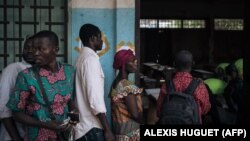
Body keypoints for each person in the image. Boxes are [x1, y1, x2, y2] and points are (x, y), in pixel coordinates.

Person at [7, 30, 77, 141]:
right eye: (34, 49)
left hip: (64, 136)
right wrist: (45, 125)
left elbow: (70, 101)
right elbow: (16, 113)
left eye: (41, 49)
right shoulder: (26, 76)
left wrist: (73, 121)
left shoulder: (69, 71)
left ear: (56, 49)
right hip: (37, 137)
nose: (35, 53)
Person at [74, 23, 114, 141]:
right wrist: (107, 129)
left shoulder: (80, 58)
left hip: (83, 126)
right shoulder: (90, 60)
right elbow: (95, 99)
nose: (102, 41)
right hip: (91, 128)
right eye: (100, 37)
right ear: (92, 39)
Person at [156, 50, 211, 124]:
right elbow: (205, 109)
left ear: (174, 64)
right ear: (193, 64)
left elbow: (159, 112)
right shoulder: (199, 86)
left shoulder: (166, 86)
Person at [0, 36, 35, 141]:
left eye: (33, 48)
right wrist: (16, 138)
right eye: (26, 47)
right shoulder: (13, 69)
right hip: (13, 135)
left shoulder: (41, 71)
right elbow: (3, 109)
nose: (29, 50)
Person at [110, 49, 143, 141]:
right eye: (132, 61)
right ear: (124, 64)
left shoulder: (116, 83)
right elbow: (135, 115)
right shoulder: (127, 86)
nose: (135, 63)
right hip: (130, 135)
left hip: (120, 133)